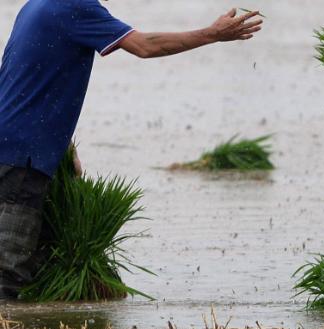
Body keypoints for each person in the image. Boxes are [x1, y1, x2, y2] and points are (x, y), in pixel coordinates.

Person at [0, 0, 263, 299]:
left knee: (38, 256)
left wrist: (65, 147)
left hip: (13, 142)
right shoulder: (76, 5)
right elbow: (144, 45)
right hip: (22, 157)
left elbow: (25, 78)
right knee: (8, 275)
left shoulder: (37, 5)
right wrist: (211, 34)